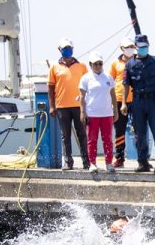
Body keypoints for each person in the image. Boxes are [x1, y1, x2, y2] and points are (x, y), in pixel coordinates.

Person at [121, 34, 155, 174]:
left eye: (146, 47)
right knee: (139, 133)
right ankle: (142, 162)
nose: (143, 49)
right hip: (138, 101)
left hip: (154, 100)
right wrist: (124, 103)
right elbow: (125, 86)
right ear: (136, 47)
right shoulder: (129, 64)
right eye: (141, 47)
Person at [48, 38, 90, 171]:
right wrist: (52, 106)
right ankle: (68, 162)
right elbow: (50, 87)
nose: (68, 50)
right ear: (60, 50)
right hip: (62, 106)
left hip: (79, 105)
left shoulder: (82, 66)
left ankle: (86, 161)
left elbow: (89, 84)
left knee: (82, 133)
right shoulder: (54, 66)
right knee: (65, 135)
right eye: (65, 48)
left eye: (70, 48)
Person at [79, 52, 118, 173]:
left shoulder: (108, 77)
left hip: (107, 114)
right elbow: (81, 96)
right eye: (95, 64)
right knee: (92, 140)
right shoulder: (85, 78)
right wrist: (82, 112)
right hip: (92, 113)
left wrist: (115, 110)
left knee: (108, 139)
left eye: (100, 63)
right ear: (90, 65)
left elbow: (113, 95)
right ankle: (92, 163)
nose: (98, 66)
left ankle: (108, 162)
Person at [108, 38, 136, 168]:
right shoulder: (115, 64)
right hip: (119, 100)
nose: (130, 48)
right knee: (119, 130)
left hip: (136, 99)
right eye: (127, 46)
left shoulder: (138, 60)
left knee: (139, 129)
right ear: (122, 48)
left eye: (131, 46)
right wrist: (111, 102)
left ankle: (142, 157)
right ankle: (119, 157)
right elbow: (110, 82)